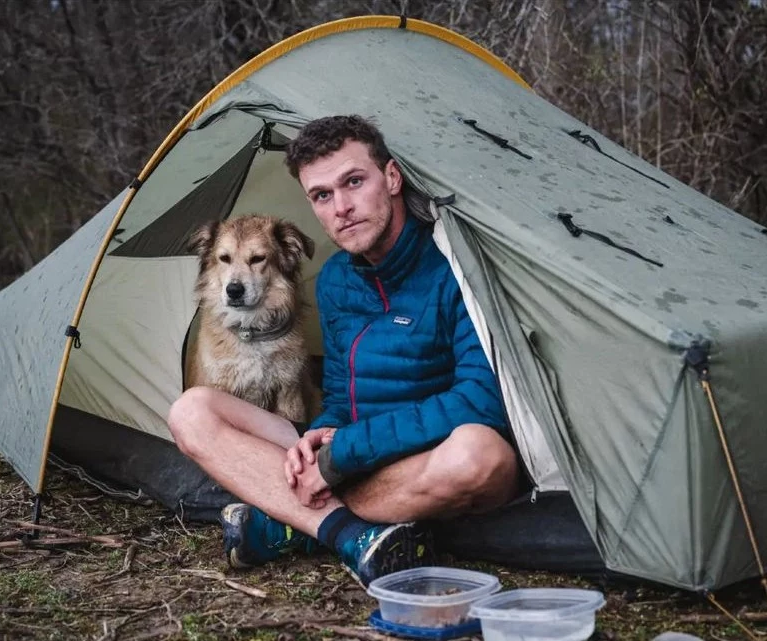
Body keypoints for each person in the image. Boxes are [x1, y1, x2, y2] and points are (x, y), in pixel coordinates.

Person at [167, 115, 522, 586]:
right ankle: (351, 533)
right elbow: (338, 395)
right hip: (351, 453)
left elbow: (480, 401)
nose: (342, 208)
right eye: (322, 195)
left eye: (353, 182)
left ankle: (294, 525)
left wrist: (343, 456)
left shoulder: (453, 268)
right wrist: (321, 436)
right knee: (192, 411)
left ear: (391, 178)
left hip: (423, 455)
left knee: (483, 455)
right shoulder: (335, 279)